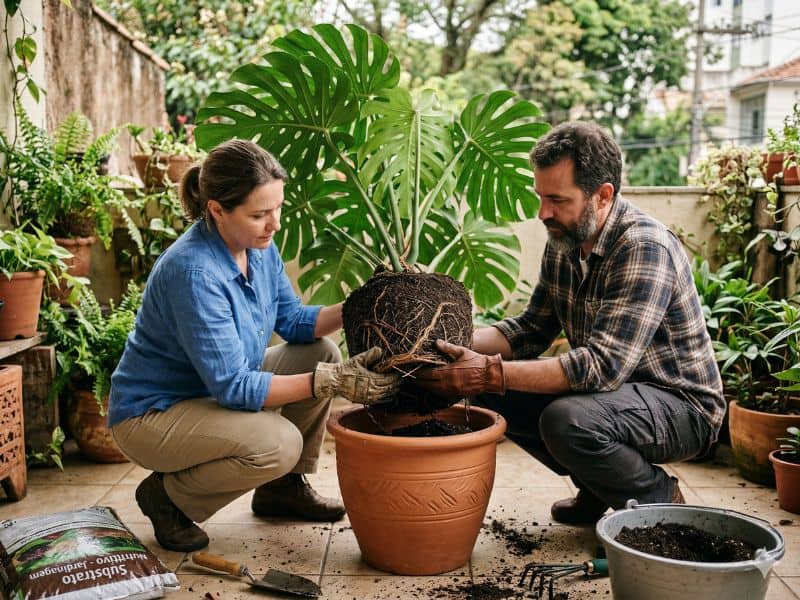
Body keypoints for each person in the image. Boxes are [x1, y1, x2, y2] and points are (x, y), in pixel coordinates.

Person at [416, 121, 725, 525]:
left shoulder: (643, 248)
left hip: (681, 405)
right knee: (493, 394)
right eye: (541, 197)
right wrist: (447, 344)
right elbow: (531, 330)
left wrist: (486, 372)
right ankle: (600, 487)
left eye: (557, 200)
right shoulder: (565, 240)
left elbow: (599, 368)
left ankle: (661, 502)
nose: (544, 213)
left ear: (603, 195)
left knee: (566, 420)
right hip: (618, 396)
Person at [109, 139, 401, 552]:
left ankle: (281, 489)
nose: (274, 223)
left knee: (321, 352)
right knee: (278, 442)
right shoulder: (194, 272)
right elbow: (235, 388)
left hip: (208, 392)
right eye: (260, 214)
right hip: (154, 414)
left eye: (277, 208)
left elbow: (295, 321)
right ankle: (166, 499)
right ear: (216, 210)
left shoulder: (256, 246)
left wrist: (360, 302)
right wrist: (330, 383)